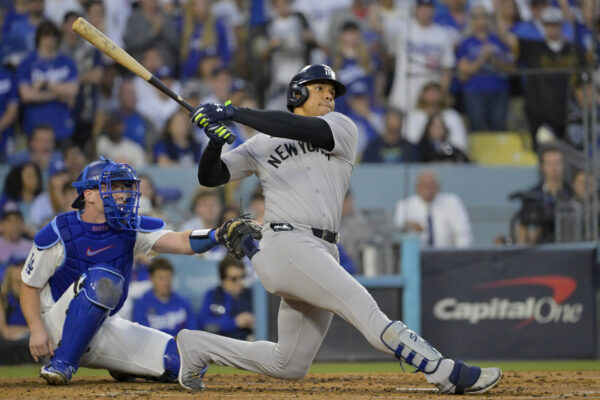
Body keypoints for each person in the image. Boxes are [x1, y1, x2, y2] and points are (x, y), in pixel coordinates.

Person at [177, 64, 501, 394]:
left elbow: (295, 127)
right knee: (365, 309)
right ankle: (444, 371)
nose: (329, 95)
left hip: (322, 249)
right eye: (320, 88)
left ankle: (197, 346)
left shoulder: (341, 127)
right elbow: (211, 177)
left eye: (332, 91)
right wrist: (214, 143)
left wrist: (232, 111)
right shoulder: (261, 143)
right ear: (297, 93)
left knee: (288, 364)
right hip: (288, 242)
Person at [18, 158, 251, 385]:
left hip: (102, 326)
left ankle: (121, 366)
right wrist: (37, 330)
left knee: (186, 364)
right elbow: (29, 285)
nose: (121, 193)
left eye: (123, 186)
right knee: (102, 279)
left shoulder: (129, 226)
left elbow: (180, 241)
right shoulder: (61, 229)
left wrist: (216, 235)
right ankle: (62, 364)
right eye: (112, 187)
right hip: (58, 328)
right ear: (88, 195)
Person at [394, 170, 472, 248]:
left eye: (431, 184)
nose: (428, 188)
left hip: (447, 255)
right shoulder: (405, 205)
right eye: (424, 184)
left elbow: (463, 233)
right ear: (417, 187)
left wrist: (460, 255)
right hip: (415, 255)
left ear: (438, 186)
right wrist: (408, 225)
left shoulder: (452, 202)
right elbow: (398, 225)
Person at [514, 146, 572, 244]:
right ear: (542, 167)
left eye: (557, 163)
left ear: (563, 165)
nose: (554, 168)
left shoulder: (572, 193)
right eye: (549, 163)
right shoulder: (532, 195)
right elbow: (523, 229)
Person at [132, 257, 197, 337]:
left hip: (180, 347)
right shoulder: (141, 304)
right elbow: (142, 336)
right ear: (151, 278)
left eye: (168, 278)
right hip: (154, 347)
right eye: (161, 278)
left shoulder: (184, 302)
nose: (165, 282)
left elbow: (193, 332)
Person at [197, 255, 253, 340]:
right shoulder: (212, 295)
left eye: (242, 277)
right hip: (218, 345)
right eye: (234, 279)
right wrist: (235, 322)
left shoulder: (251, 295)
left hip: (245, 345)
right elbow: (205, 324)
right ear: (222, 279)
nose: (240, 282)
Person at [0, 254, 29, 340]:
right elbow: (4, 331)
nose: (23, 267)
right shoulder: (3, 298)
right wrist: (32, 331)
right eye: (18, 265)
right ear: (9, 270)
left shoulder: (38, 296)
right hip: (8, 347)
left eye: (26, 264)